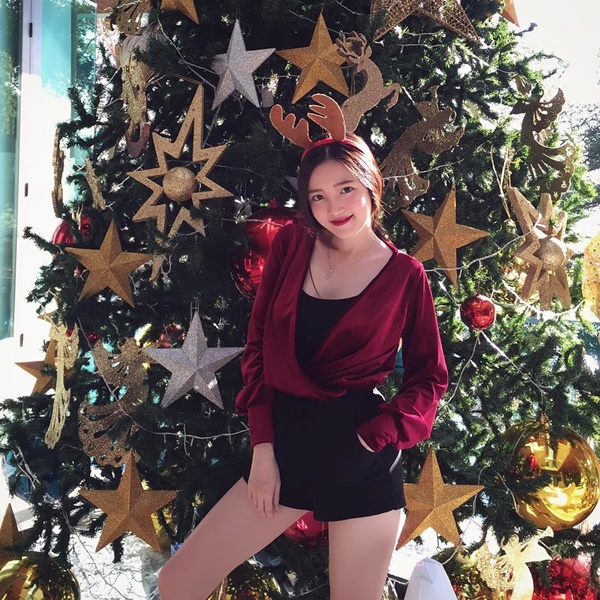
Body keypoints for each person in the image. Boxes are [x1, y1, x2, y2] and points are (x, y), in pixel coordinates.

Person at [158, 96, 448, 600]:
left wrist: (373, 438)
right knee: (179, 581)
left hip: (362, 455)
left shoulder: (406, 276)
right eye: (317, 196)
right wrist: (263, 450)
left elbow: (429, 379)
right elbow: (257, 349)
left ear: (370, 185)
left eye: (346, 189)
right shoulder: (293, 244)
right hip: (287, 444)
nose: (334, 208)